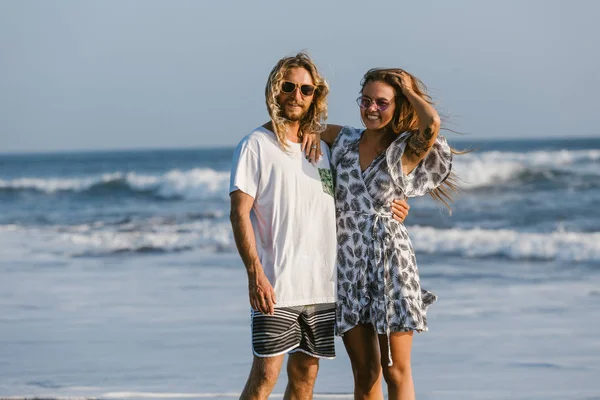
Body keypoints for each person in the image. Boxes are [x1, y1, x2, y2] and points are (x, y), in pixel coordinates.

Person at [229, 54, 411, 400]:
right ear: (275, 90)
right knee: (265, 375)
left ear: (315, 96)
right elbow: (239, 213)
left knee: (305, 378)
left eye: (306, 90)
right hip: (276, 285)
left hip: (323, 289)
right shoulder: (256, 145)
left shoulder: (327, 148)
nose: (296, 95)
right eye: (289, 87)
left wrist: (395, 206)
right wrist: (255, 273)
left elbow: (368, 181)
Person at [315, 68, 457, 400]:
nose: (372, 109)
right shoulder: (344, 139)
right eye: (366, 101)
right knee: (365, 373)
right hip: (349, 265)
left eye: (382, 102)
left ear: (399, 105)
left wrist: (408, 90)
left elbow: (431, 124)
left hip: (390, 264)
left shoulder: (403, 149)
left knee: (395, 371)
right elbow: (295, 128)